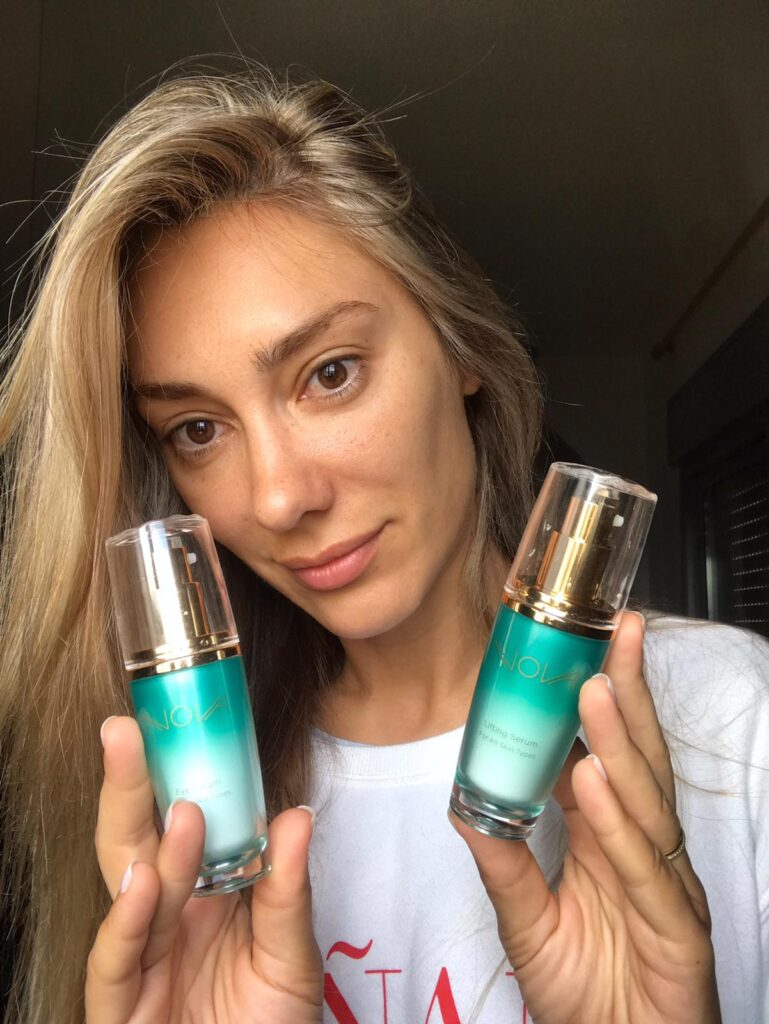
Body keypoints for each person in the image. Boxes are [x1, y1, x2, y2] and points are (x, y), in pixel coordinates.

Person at [0, 66, 766, 1024]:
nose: (278, 498)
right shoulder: (187, 816)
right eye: (197, 429)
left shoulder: (732, 722)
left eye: (329, 373)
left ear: (460, 344)